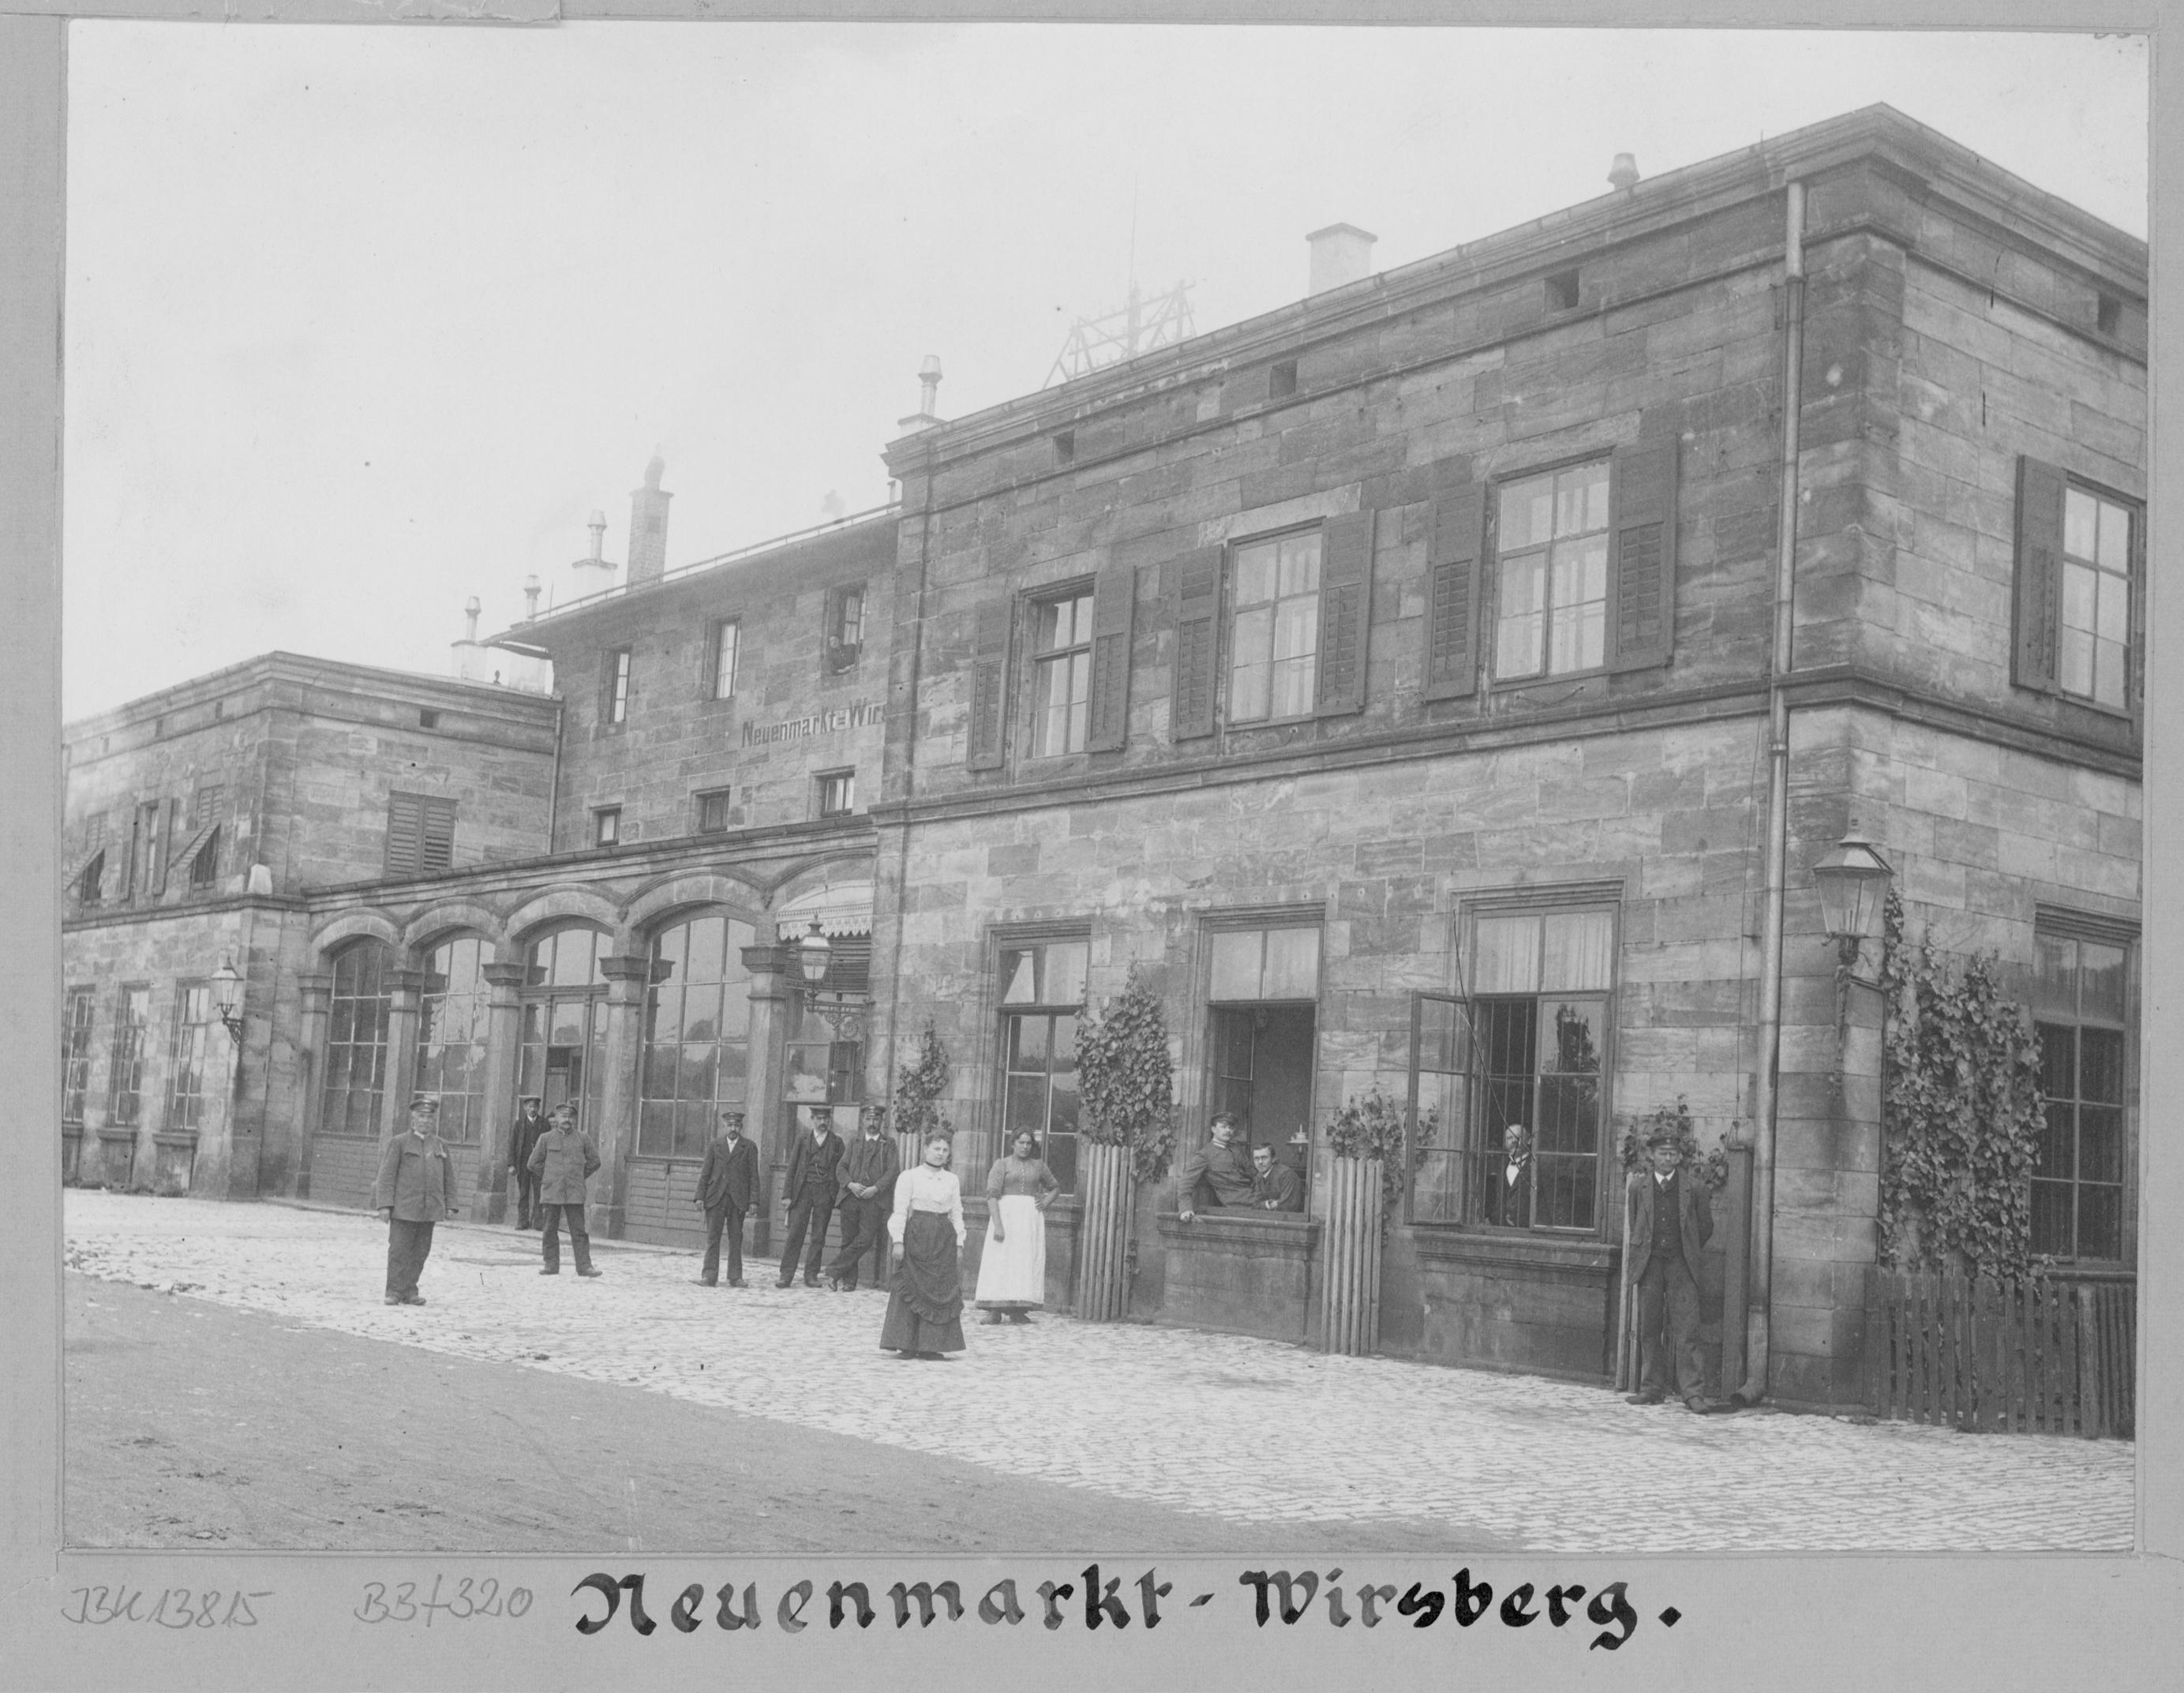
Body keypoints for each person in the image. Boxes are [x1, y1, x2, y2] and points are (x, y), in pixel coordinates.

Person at [1625, 1128, 1718, 1412]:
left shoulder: (1696, 1188)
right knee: (1649, 1328)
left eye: (1672, 1154)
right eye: (1662, 1153)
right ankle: (1651, 1388)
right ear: (1652, 1156)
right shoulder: (1637, 1188)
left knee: (1687, 1329)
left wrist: (1685, 1249)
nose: (1667, 1158)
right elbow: (1636, 1222)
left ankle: (1692, 1393)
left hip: (1681, 1264)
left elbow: (1705, 1227)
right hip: (1650, 1264)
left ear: (1679, 1157)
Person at [881, 1133, 967, 1359]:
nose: (940, 1154)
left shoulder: (952, 1180)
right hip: (917, 1236)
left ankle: (932, 1346)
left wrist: (959, 1241)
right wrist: (898, 1241)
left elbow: (956, 1212)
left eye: (945, 1150)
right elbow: (900, 1210)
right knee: (911, 1285)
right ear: (926, 1149)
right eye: (936, 1149)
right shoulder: (909, 1177)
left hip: (943, 1239)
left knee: (939, 1288)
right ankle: (906, 1344)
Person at [374, 1096, 458, 1305]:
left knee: (420, 1253)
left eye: (430, 1117)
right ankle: (394, 1291)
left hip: (429, 1210)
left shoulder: (440, 1145)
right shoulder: (399, 1142)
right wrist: (384, 1205)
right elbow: (386, 1176)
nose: (426, 1121)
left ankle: (410, 1290)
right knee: (399, 1251)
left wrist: (451, 1205)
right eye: (421, 1116)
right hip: (404, 1209)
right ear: (413, 1119)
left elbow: (449, 1177)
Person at [974, 1129, 1062, 1323]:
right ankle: (994, 1310)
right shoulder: (1002, 1164)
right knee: (1001, 1261)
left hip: (1029, 1221)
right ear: (1012, 1143)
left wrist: (1045, 1202)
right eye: (1021, 1143)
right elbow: (992, 1196)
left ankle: (1018, 1310)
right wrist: (998, 1225)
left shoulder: (1038, 1166)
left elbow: (1055, 1187)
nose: (1025, 1147)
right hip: (1006, 1217)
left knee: (1024, 1262)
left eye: (1028, 1143)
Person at [824, 1104, 900, 1292]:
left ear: (881, 1121)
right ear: (863, 1121)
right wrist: (850, 1184)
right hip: (851, 1197)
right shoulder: (854, 1142)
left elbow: (892, 1172)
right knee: (848, 1240)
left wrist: (875, 1188)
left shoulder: (888, 1144)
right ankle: (849, 1281)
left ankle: (833, 1271)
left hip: (872, 1200)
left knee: (865, 1239)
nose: (872, 1123)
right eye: (868, 1119)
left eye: (876, 1119)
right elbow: (841, 1168)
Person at [529, 1102, 603, 1278]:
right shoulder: (545, 1138)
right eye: (563, 1116)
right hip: (552, 1191)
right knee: (549, 1229)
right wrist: (549, 1176)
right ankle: (551, 1264)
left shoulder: (583, 1138)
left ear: (574, 1119)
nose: (567, 1120)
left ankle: (584, 1266)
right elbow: (533, 1163)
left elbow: (595, 1161)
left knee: (579, 1231)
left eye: (570, 1117)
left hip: (574, 1192)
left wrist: (578, 1176)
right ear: (556, 1118)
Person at [777, 1106, 845, 1288]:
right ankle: (786, 1274)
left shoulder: (837, 1142)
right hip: (803, 1190)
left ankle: (811, 1275)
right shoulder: (802, 1139)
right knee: (795, 1232)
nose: (822, 1122)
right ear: (812, 1119)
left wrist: (837, 1195)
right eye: (819, 1119)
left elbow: (841, 1170)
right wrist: (787, 1195)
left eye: (826, 1119)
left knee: (818, 1236)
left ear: (829, 1120)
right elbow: (792, 1167)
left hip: (825, 1192)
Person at [694, 1108, 759, 1287]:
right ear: (724, 1126)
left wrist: (754, 1200)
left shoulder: (749, 1147)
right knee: (713, 1238)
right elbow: (705, 1173)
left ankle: (735, 1276)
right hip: (715, 1198)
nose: (733, 1129)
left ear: (741, 1127)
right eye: (730, 1125)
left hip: (738, 1200)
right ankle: (709, 1276)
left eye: (737, 1125)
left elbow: (754, 1175)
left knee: (736, 1238)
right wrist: (700, 1196)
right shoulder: (715, 1145)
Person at [1175, 1113, 1256, 1220]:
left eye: (1231, 1127)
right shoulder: (1205, 1155)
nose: (1228, 1130)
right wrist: (1185, 1209)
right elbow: (1185, 1183)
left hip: (1257, 1198)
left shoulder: (1238, 1149)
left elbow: (1253, 1174)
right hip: (1238, 1206)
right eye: (1223, 1127)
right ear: (1213, 1129)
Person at [508, 1096, 548, 1229]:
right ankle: (522, 1221)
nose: (533, 1109)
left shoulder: (544, 1123)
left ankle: (538, 1222)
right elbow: (512, 1144)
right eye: (530, 1107)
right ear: (525, 1108)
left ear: (538, 1108)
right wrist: (511, 1164)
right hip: (523, 1163)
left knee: (539, 1193)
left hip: (539, 1164)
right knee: (524, 1192)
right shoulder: (519, 1124)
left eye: (535, 1107)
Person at [1246, 1143, 1304, 1212]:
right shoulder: (1259, 1177)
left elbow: (1288, 1205)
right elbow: (1255, 1205)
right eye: (1256, 1158)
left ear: (1273, 1159)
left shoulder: (1287, 1175)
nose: (1260, 1162)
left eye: (1264, 1158)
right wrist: (1270, 1204)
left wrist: (1266, 1204)